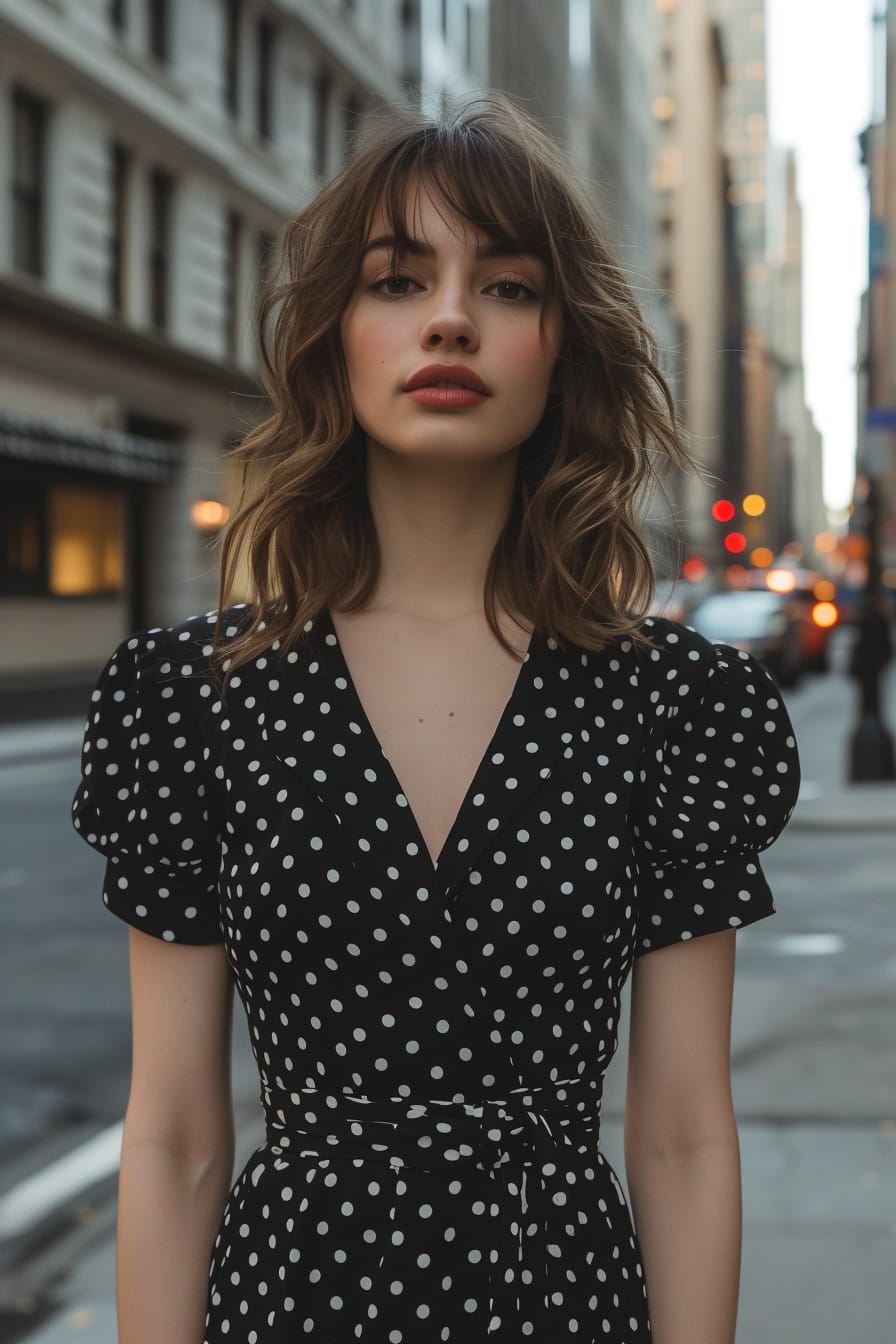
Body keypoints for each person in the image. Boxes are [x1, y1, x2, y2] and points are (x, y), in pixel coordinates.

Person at [72, 93, 800, 1344]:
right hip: (291, 1304)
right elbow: (177, 1135)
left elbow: (680, 1136)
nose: (451, 317)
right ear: (333, 336)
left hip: (561, 1303)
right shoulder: (194, 701)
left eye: (508, 288)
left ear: (561, 347)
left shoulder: (675, 707)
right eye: (398, 281)